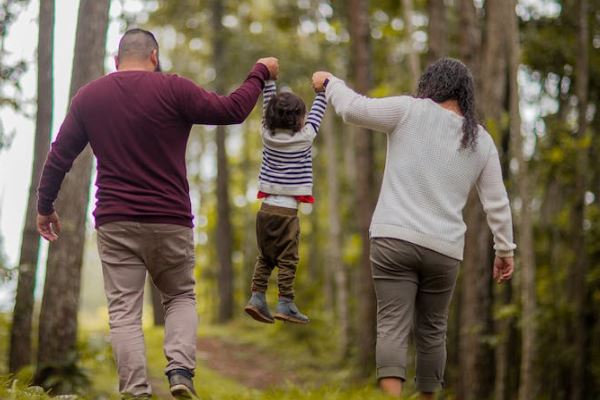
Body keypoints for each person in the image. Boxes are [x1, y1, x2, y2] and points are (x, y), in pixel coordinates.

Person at [36, 28, 279, 399]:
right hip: (170, 219)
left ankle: (135, 392)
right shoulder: (173, 88)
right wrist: (259, 71)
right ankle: (180, 371)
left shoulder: (90, 97)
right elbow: (232, 110)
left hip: (115, 222)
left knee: (124, 313)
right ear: (154, 56)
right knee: (180, 295)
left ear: (116, 61)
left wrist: (45, 206)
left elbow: (60, 156)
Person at [312, 58, 516, 399]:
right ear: (465, 94)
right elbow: (497, 201)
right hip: (444, 250)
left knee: (392, 324)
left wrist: (331, 82)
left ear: (431, 84)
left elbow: (353, 110)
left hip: (394, 239)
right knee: (433, 331)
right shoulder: (481, 140)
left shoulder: (409, 110)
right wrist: (505, 250)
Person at [243, 77, 327, 325]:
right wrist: (322, 91)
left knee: (265, 257)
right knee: (288, 259)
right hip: (287, 214)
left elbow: (268, 102)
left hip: (265, 210)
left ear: (269, 118)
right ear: (299, 120)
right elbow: (318, 113)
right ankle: (285, 302)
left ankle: (257, 297)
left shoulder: (266, 135)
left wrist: (269, 82)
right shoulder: (305, 137)